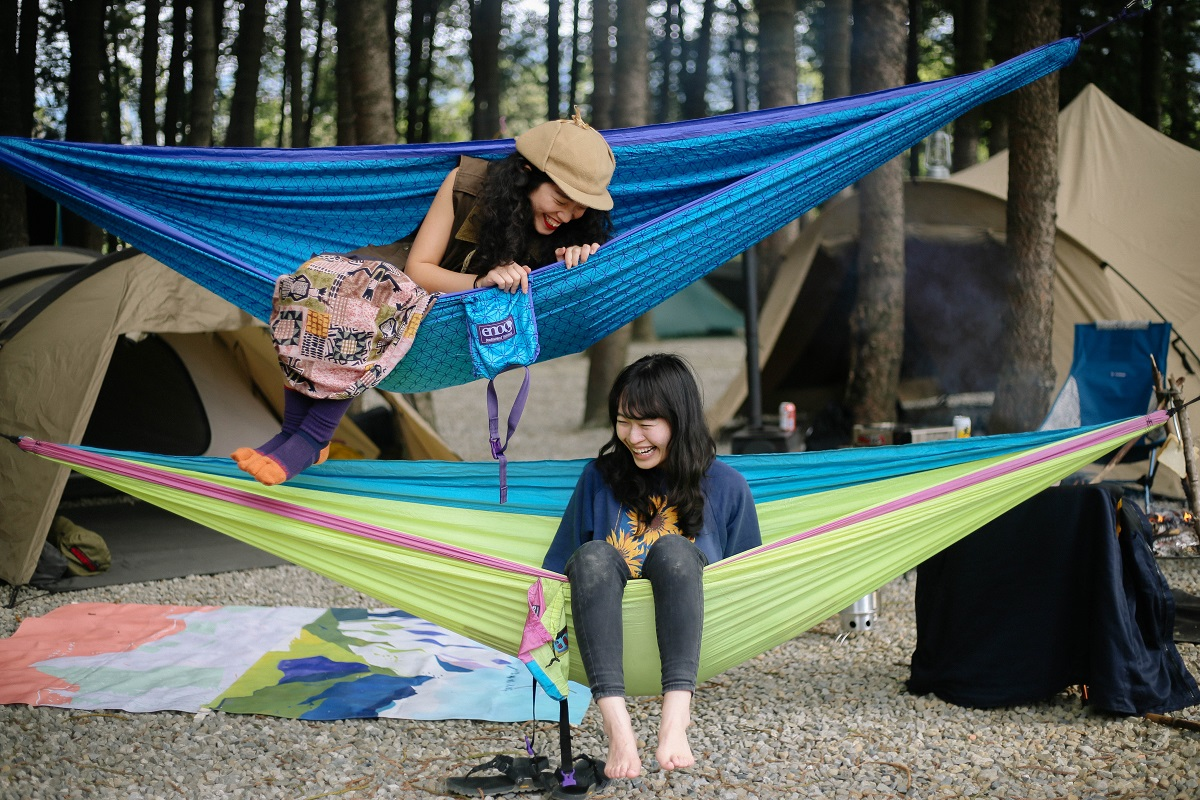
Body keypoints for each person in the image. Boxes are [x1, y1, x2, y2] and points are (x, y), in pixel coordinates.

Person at [233, 111, 616, 485]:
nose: (568, 215)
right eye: (561, 200)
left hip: (426, 311)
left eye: (581, 205)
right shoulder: (467, 184)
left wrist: (573, 260)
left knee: (359, 303)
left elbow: (556, 290)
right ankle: (293, 433)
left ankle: (314, 436)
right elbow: (419, 270)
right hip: (400, 277)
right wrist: (481, 281)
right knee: (309, 281)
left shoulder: (570, 233)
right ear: (528, 174)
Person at [541, 354, 762, 780]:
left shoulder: (727, 487)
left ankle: (676, 717)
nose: (633, 437)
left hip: (694, 627)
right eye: (624, 421)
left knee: (675, 552)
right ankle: (616, 723)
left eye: (647, 424)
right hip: (607, 628)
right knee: (591, 556)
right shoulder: (599, 479)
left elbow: (748, 581)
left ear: (679, 421)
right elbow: (557, 568)